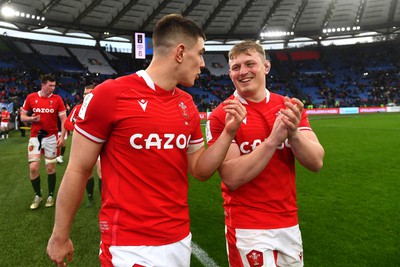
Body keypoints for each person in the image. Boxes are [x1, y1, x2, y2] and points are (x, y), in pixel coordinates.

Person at [47, 14, 246, 267]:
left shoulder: (187, 104)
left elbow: (199, 170)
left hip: (180, 238)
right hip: (128, 247)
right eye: (201, 53)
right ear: (180, 52)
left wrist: (228, 134)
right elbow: (78, 168)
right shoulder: (110, 94)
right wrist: (60, 235)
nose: (203, 63)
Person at [206, 40, 325, 267]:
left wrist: (294, 134)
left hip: (288, 222)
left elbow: (316, 161)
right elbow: (231, 177)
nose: (243, 72)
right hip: (247, 227)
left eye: (250, 64)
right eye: (235, 67)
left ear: (266, 66)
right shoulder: (224, 114)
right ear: (229, 72)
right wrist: (272, 141)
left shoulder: (288, 107)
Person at [21, 74, 67, 210]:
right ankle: (38, 195)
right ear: (43, 85)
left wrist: (62, 137)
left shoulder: (57, 99)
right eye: (50, 85)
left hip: (51, 138)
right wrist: (31, 119)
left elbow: (64, 120)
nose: (53, 88)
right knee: (33, 168)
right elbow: (23, 116)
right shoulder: (31, 97)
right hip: (35, 137)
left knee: (50, 168)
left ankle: (51, 195)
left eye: (54, 85)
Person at [64, 84, 102, 207]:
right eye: (85, 94)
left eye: (90, 93)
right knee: (88, 172)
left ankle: (104, 199)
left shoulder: (101, 108)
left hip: (100, 145)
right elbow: (67, 123)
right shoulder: (78, 108)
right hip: (83, 146)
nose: (87, 96)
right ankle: (90, 197)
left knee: (101, 171)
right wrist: (79, 128)